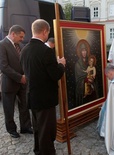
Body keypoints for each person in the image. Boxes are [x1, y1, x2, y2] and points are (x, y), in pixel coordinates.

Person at [20, 19, 66, 154]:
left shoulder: (24, 50)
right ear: (45, 31)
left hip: (32, 97)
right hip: (45, 99)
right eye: (48, 32)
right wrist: (61, 64)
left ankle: (38, 150)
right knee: (47, 131)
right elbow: (55, 74)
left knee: (38, 129)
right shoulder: (46, 51)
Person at [0, 25, 32, 138]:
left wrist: (25, 76)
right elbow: (4, 67)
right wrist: (19, 77)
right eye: (21, 36)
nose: (22, 39)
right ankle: (12, 130)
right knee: (9, 109)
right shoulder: (2, 45)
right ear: (13, 34)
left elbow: (24, 62)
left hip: (22, 83)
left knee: (24, 105)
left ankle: (26, 126)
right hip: (9, 84)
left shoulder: (20, 45)